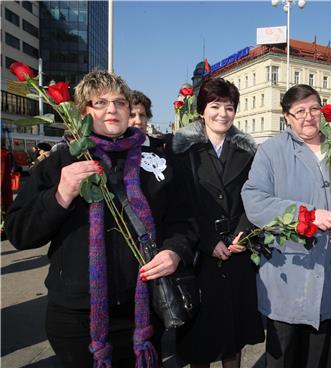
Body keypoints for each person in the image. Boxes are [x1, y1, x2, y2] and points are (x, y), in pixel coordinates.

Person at [6, 70, 195, 368]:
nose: (112, 109)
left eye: (120, 102)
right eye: (101, 102)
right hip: (78, 318)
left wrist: (175, 251)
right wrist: (60, 195)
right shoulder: (62, 161)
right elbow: (20, 232)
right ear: (83, 112)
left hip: (143, 310)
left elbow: (183, 220)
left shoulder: (156, 161)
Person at [241, 84, 331, 368]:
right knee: (281, 358)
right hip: (287, 274)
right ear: (286, 116)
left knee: (317, 358)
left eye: (314, 108)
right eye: (299, 111)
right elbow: (254, 201)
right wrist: (306, 215)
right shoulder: (271, 151)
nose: (308, 117)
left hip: (329, 274)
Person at [172, 78, 264, 368]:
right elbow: (180, 205)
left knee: (233, 341)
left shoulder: (248, 153)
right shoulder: (183, 153)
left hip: (238, 252)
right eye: (215, 106)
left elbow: (256, 195)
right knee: (201, 340)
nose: (222, 114)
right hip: (200, 255)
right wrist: (209, 240)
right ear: (201, 110)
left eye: (229, 107)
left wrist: (242, 234)